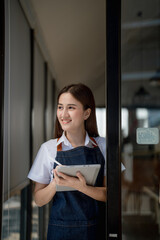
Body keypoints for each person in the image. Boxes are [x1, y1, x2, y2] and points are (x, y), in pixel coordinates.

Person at [28, 83, 106, 240]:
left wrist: (79, 186)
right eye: (60, 107)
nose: (63, 114)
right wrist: (54, 185)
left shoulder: (104, 146)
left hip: (95, 230)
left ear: (86, 113)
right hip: (60, 232)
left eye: (71, 107)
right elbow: (39, 200)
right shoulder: (48, 149)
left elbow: (109, 194)